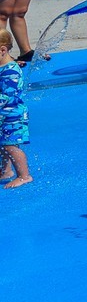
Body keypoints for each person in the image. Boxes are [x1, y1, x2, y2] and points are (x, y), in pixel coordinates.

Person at [0, 28, 31, 187]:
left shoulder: (10, 71)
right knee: (2, 143)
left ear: (2, 50)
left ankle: (24, 175)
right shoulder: (3, 67)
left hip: (13, 115)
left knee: (10, 145)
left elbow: (7, 95)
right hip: (4, 115)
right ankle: (6, 171)